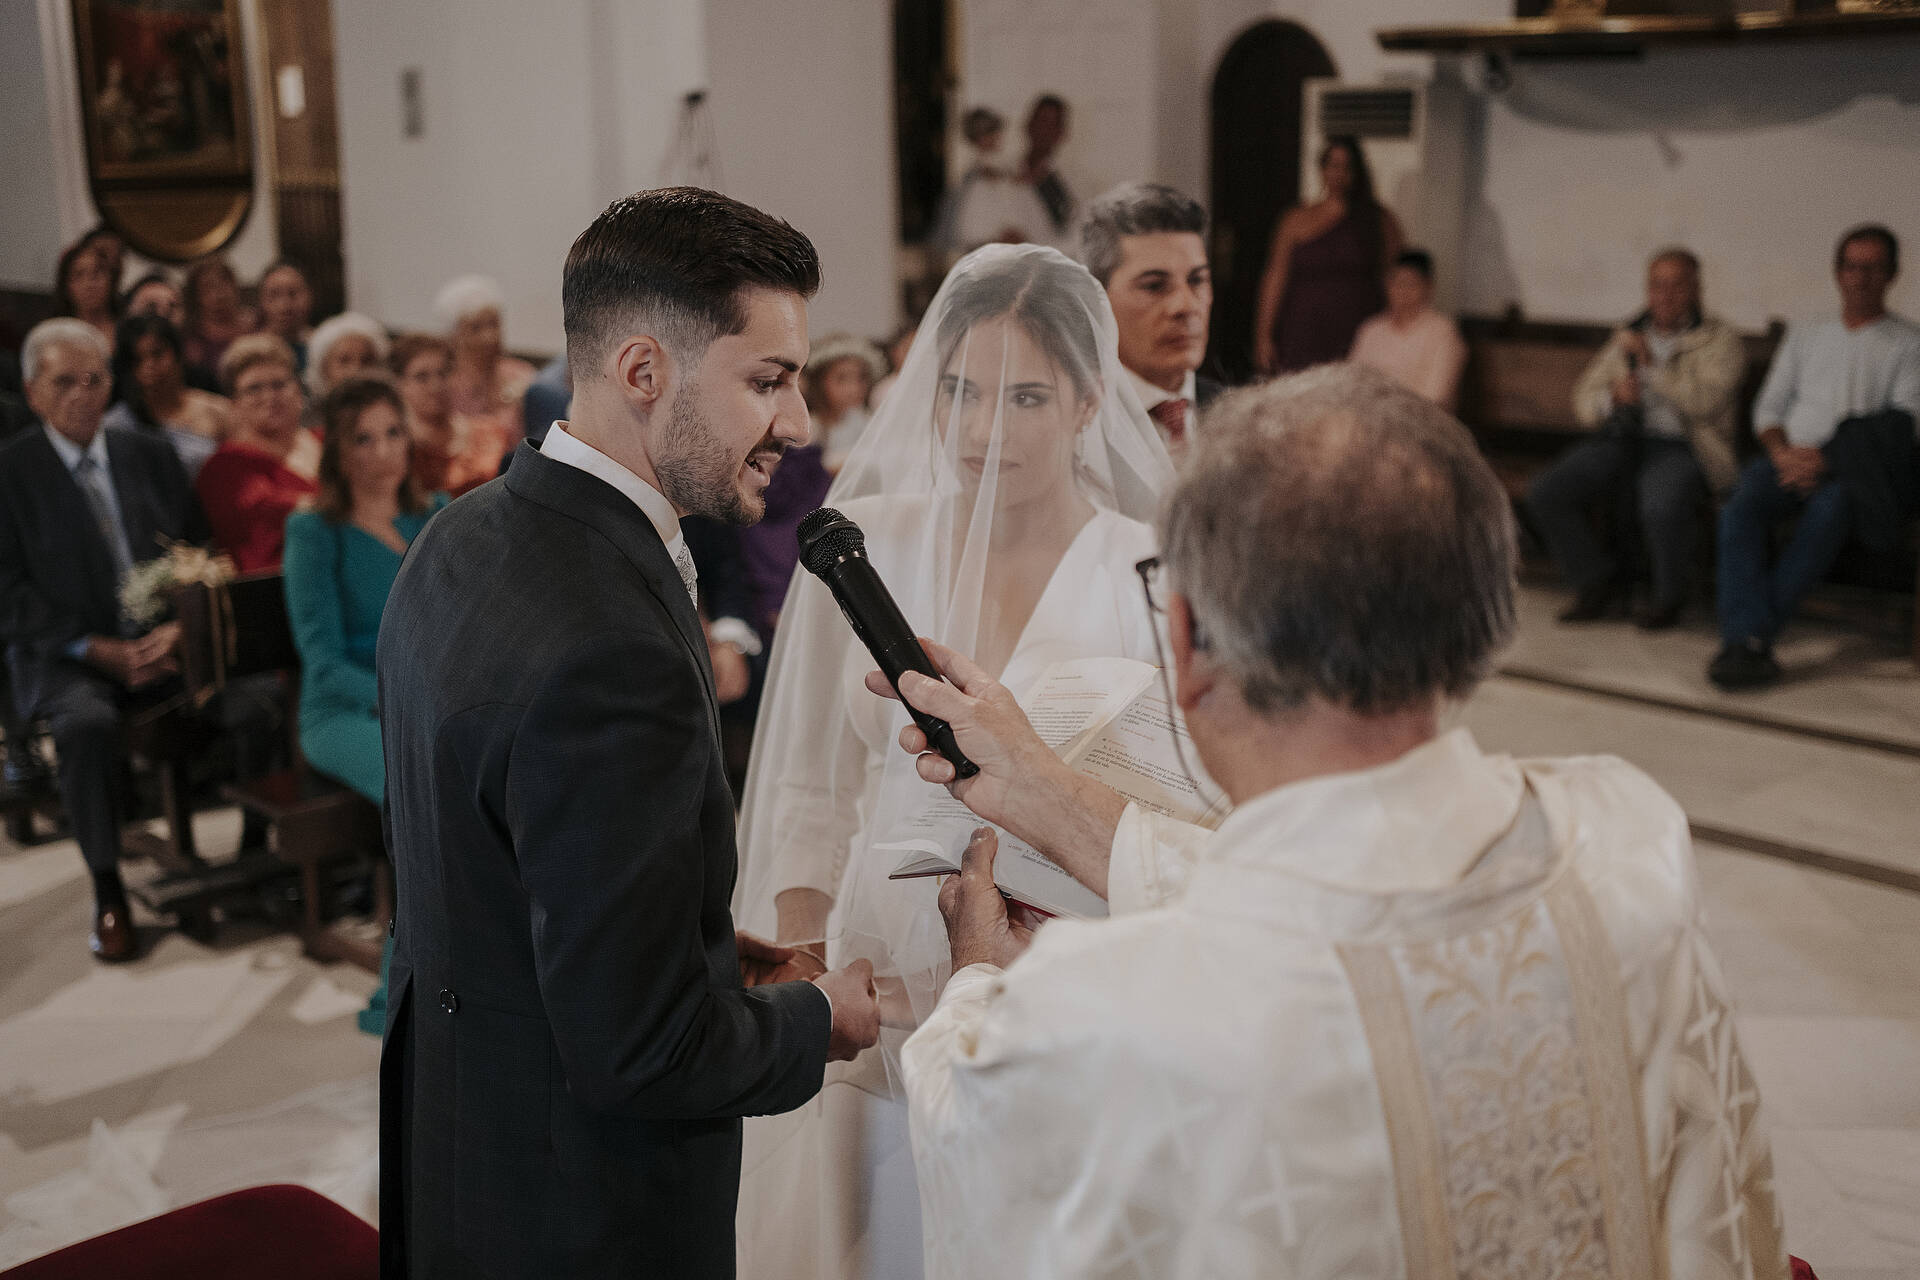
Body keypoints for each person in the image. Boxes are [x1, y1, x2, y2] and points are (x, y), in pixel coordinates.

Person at [882, 364, 1790, 1280]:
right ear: (1488, 614)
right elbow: (1353, 906)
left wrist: (977, 985)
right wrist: (1041, 790)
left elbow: (979, 1132)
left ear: (1187, 640)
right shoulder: (1628, 836)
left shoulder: (1107, 1010)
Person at [377, 187, 880, 1279]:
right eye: (767, 380)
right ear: (643, 371)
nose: (794, 426)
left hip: (463, 1141)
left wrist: (694, 942)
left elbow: (493, 862)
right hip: (583, 1212)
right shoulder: (616, 652)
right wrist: (817, 1019)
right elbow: (644, 1051)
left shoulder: (460, 533)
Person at [731, 243, 1176, 1280]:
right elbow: (806, 784)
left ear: (1084, 400)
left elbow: (1172, 802)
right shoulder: (866, 543)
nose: (983, 432)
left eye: (1024, 396)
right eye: (961, 394)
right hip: (871, 982)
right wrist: (809, 966)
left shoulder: (1147, 568)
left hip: (1058, 982)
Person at [0, 320, 207, 962]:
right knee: (86, 723)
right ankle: (108, 887)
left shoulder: (147, 450)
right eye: (64, 382)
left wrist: (180, 626)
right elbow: (9, 593)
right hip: (68, 654)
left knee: (249, 692)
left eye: (95, 380)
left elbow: (197, 549)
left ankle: (257, 853)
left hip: (160, 641)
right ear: (34, 393)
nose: (83, 396)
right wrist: (95, 650)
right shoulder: (11, 473)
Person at [283, 377, 445, 1039]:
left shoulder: (433, 511)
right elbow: (321, 660)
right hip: (341, 712)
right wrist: (402, 701)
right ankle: (403, 985)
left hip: (427, 702)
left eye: (393, 432)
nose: (383, 451)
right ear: (338, 454)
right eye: (364, 438)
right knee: (423, 783)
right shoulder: (314, 530)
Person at [1712, 224, 1920, 689]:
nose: (1860, 278)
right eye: (1851, 267)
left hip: (1851, 473)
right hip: (1789, 458)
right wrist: (1783, 454)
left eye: (1872, 268)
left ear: (1892, 275)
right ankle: (1749, 638)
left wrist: (1826, 461)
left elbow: (1901, 426)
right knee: (1739, 507)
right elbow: (1769, 408)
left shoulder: (1908, 344)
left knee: (1830, 512)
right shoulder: (1808, 332)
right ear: (1837, 273)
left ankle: (1748, 638)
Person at [1528, 248, 1745, 630]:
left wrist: (1651, 367)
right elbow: (1582, 399)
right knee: (1547, 491)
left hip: (1685, 445)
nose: (1666, 295)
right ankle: (1596, 582)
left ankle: (1669, 596)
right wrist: (1613, 397)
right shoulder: (1630, 334)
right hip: (1623, 439)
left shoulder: (1719, 340)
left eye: (1677, 285)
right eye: (1657, 285)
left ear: (1696, 289)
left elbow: (1704, 402)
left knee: (1659, 501)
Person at [1080, 181, 1223, 460]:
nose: (1185, 306)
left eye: (1197, 280)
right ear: (1096, 299)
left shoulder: (1236, 415)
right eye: (1155, 286)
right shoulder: (1075, 423)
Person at [1253, 136, 1404, 375]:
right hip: (1302, 326)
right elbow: (1275, 277)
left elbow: (1395, 278)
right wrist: (1263, 336)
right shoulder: (1296, 218)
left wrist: (1397, 332)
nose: (1338, 174)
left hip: (1356, 325)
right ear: (1322, 169)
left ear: (1357, 172)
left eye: (1346, 167)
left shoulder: (1379, 220)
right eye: (1333, 165)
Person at [197, 335, 320, 572]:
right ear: (234, 404)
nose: (270, 397)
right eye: (254, 388)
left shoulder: (325, 439)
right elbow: (270, 514)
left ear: (298, 389)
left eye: (279, 384)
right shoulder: (223, 468)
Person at [103, 314, 232, 479]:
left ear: (178, 354)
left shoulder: (217, 411)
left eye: (157, 354)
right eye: (138, 360)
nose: (149, 366)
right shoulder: (116, 425)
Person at [388, 332, 509, 498]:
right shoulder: (397, 446)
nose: (436, 386)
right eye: (422, 377)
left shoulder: (491, 433)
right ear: (398, 383)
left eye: (443, 373)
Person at [1350, 248, 1468, 411]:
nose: (1402, 291)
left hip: (1420, 420)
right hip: (1370, 415)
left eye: (1411, 284)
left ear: (1428, 287)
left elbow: (1437, 396)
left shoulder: (1442, 331)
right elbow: (1353, 382)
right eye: (1396, 283)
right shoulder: (1371, 329)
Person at [436, 273, 537, 446]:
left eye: (494, 324)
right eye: (476, 328)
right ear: (453, 337)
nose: (490, 336)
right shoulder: (443, 388)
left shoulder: (524, 376)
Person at [807, 333, 885, 473]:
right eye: (842, 379)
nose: (854, 388)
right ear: (820, 382)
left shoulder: (868, 422)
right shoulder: (812, 428)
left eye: (860, 378)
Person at [181, 257, 257, 373]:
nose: (218, 295)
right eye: (208, 288)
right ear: (196, 297)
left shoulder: (257, 323)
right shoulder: (193, 340)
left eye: (224, 284)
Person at [1019, 94, 1075, 241]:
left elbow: (1072, 237)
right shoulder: (1001, 174)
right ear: (1028, 125)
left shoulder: (1071, 184)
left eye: (1052, 125)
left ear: (1061, 133)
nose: (1044, 130)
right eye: (1041, 121)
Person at [303, 312, 389, 400]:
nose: (356, 370)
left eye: (366, 361)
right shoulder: (310, 412)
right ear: (323, 368)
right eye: (344, 361)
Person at [55, 237, 119, 347]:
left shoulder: (129, 332)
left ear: (111, 280)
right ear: (66, 286)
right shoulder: (54, 334)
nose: (89, 284)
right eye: (78, 275)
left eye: (96, 274)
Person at [257, 260, 316, 372]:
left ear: (309, 296)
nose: (284, 306)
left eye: (293, 293)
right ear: (261, 301)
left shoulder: (324, 347)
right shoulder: (251, 352)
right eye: (274, 295)